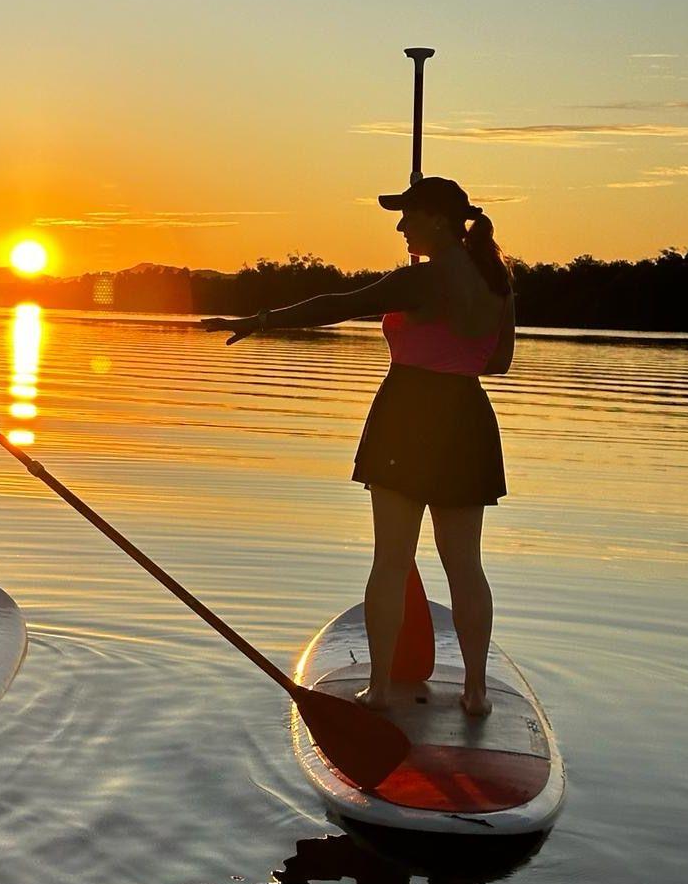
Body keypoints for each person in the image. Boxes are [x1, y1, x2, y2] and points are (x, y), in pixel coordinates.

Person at [202, 176, 514, 717]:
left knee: (391, 560)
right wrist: (447, 350)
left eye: (409, 216)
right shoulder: (498, 280)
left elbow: (338, 304)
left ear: (439, 220)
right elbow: (498, 362)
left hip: (408, 418)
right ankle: (477, 691)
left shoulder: (420, 281)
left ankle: (381, 690)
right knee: (465, 564)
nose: (400, 225)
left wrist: (261, 320)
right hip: (468, 419)